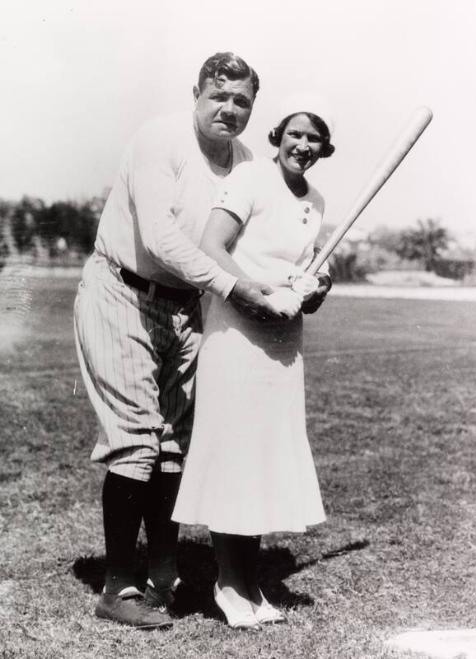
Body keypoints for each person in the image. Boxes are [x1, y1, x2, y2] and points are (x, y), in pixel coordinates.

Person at [74, 52, 281, 630]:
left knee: (172, 444)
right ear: (196, 93)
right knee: (139, 439)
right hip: (123, 292)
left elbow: (254, 239)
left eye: (241, 101)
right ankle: (118, 585)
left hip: (186, 307)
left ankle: (163, 575)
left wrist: (296, 280)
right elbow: (162, 240)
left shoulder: (247, 163)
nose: (229, 109)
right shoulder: (159, 140)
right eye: (219, 96)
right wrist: (238, 289)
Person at [172, 93, 335, 630]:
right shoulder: (248, 180)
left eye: (314, 139)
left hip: (283, 343)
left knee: (263, 457)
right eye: (295, 134)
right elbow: (210, 245)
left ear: (323, 148)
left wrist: (315, 289)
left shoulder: (318, 202)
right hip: (238, 330)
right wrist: (253, 292)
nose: (303, 145)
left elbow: (311, 275)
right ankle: (227, 582)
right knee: (235, 456)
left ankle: (249, 582)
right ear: (278, 137)